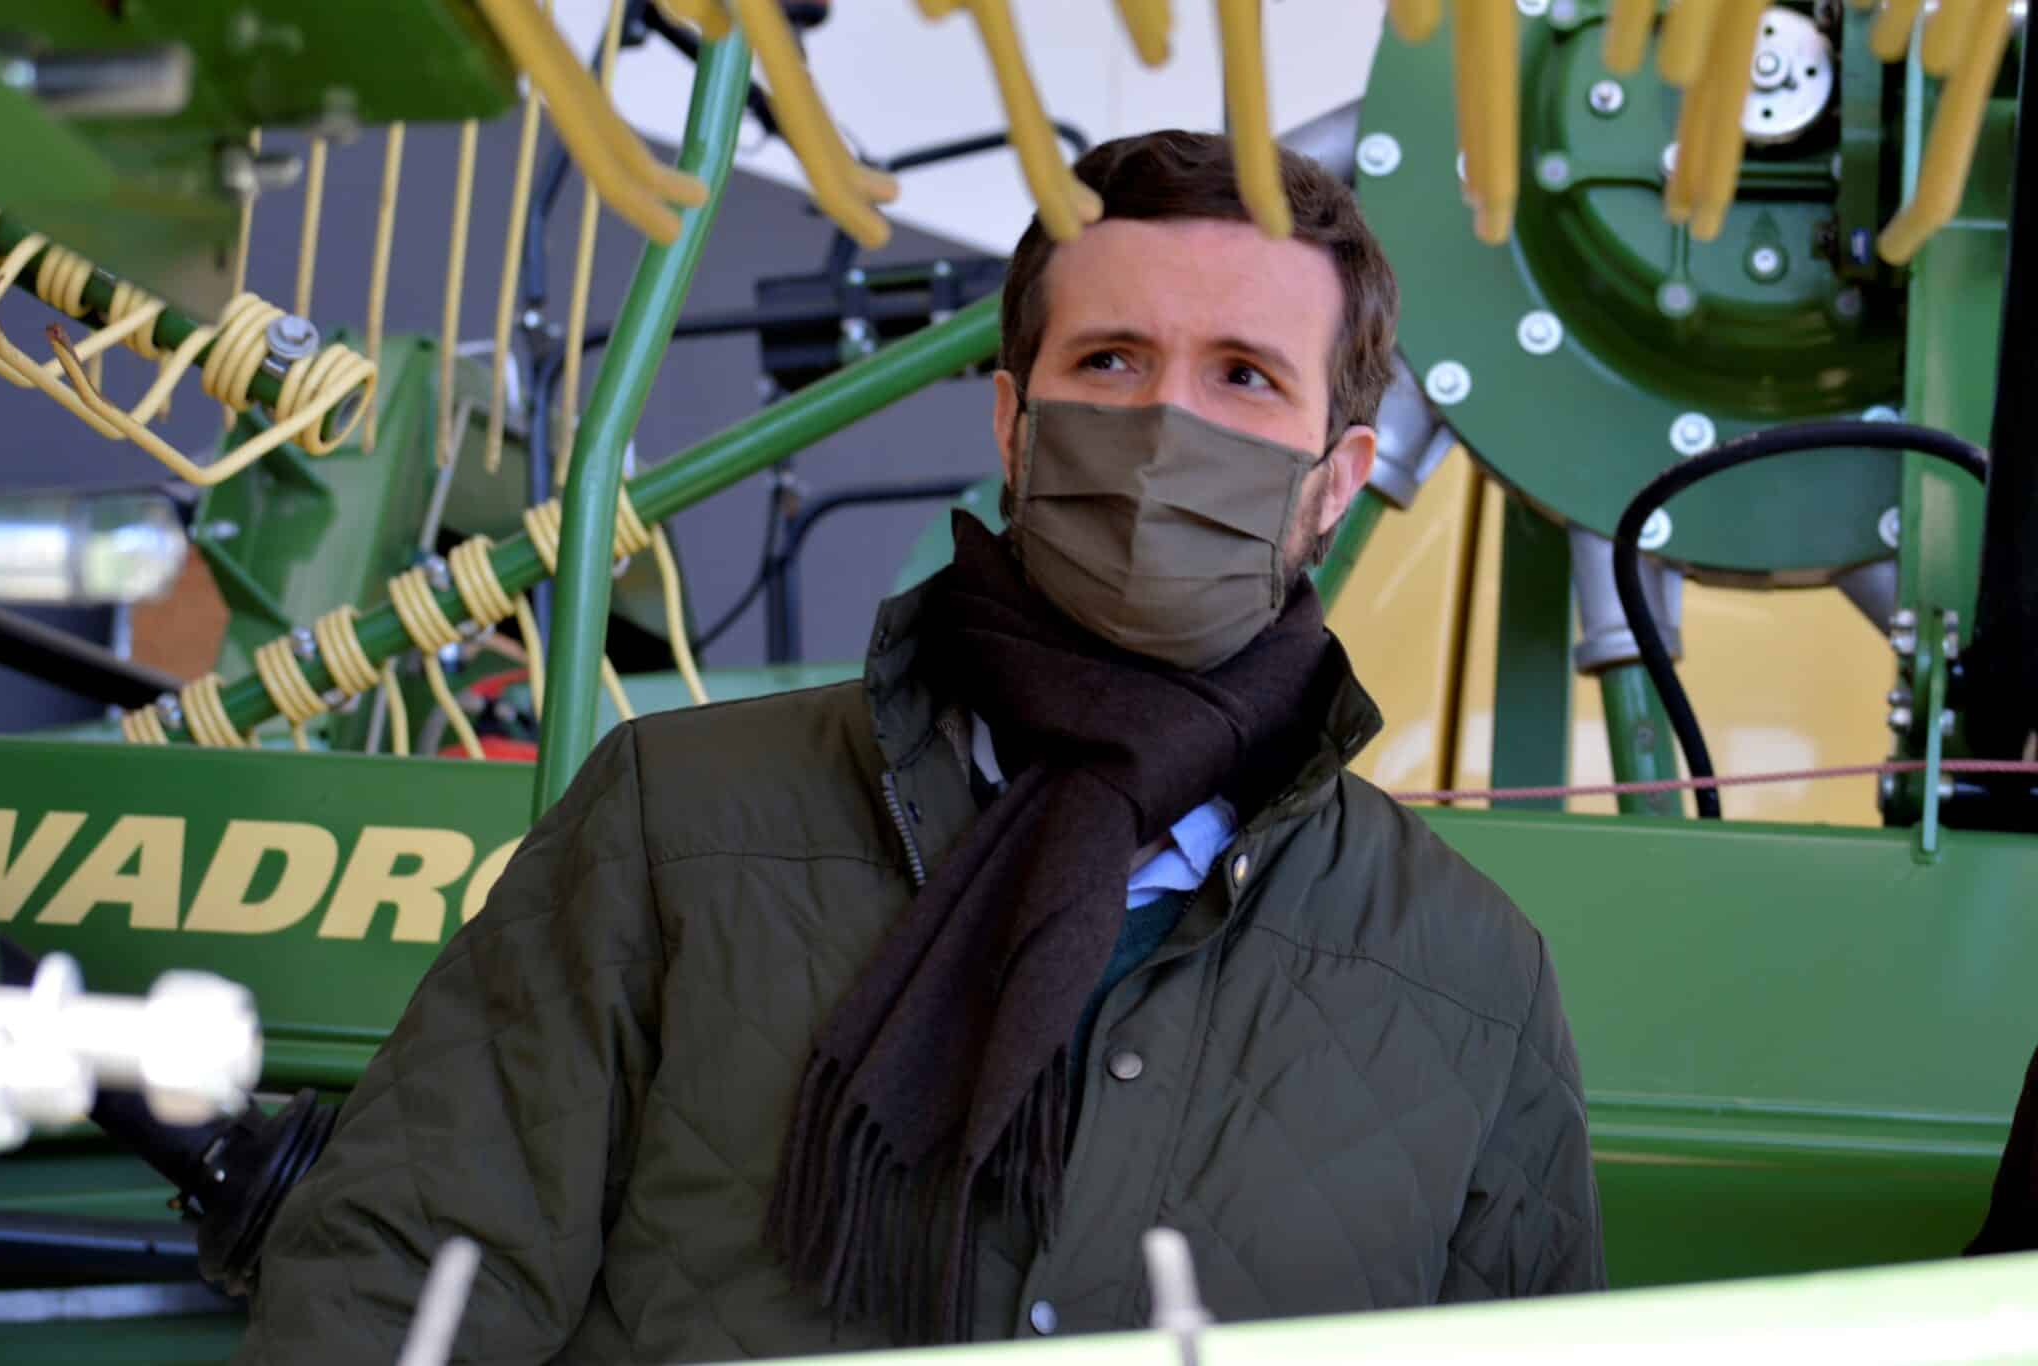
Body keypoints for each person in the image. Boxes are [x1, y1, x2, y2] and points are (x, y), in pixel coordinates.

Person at [235, 130, 1604, 1365]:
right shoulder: (678, 822)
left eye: (1244, 377)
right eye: (1109, 360)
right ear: (1013, 419)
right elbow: (400, 1279)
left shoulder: (1471, 985)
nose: (1161, 433)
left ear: (1341, 476)